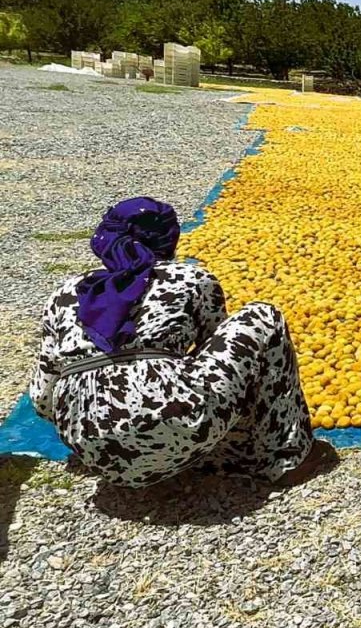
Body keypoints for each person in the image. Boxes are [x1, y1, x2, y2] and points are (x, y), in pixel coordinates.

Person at [28, 197, 326, 488]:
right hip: (180, 429)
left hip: (93, 451)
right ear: (168, 239)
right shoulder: (188, 277)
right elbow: (224, 356)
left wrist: (103, 421)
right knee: (262, 316)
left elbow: (42, 398)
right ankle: (284, 458)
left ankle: (145, 453)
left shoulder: (65, 293)